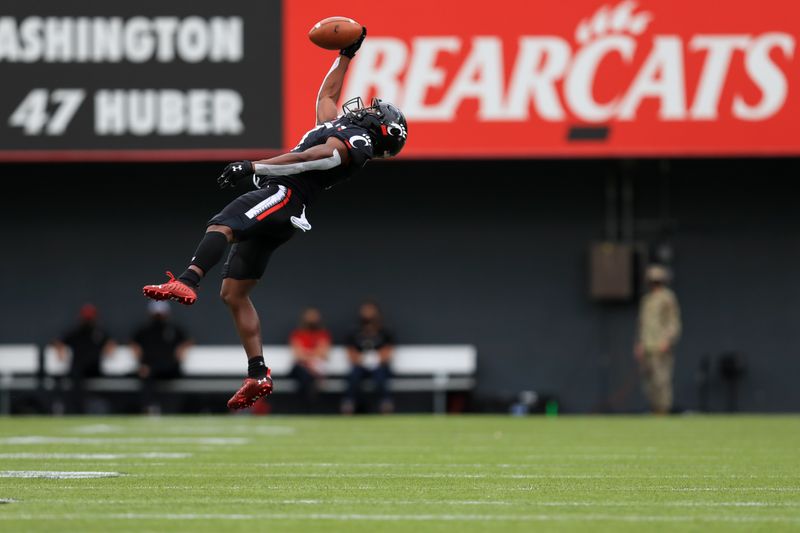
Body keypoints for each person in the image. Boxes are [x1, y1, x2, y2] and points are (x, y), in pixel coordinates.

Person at [141, 28, 407, 410]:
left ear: (377, 127)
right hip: (286, 208)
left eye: (371, 112)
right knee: (234, 293)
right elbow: (328, 96)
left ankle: (186, 282)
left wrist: (254, 165)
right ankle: (258, 372)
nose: (363, 108)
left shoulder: (355, 144)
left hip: (283, 196)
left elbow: (314, 158)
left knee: (222, 224)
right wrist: (347, 55)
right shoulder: (342, 128)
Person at [634, 265, 682, 415]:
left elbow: (673, 322)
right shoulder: (646, 299)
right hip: (648, 346)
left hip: (661, 347)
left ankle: (663, 410)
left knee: (661, 380)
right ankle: (654, 409)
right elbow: (642, 324)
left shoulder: (667, 297)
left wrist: (667, 340)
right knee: (648, 382)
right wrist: (639, 343)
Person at [130, 301, 193, 414]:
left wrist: (182, 349)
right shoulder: (144, 331)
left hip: (169, 369)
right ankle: (149, 408)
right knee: (145, 374)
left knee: (148, 371)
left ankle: (163, 408)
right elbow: (133, 343)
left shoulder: (174, 329)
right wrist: (139, 359)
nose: (158, 317)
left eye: (160, 314)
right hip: (149, 370)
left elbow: (188, 341)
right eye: (156, 314)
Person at [52, 303, 115, 413]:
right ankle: (76, 410)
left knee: (79, 374)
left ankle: (93, 409)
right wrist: (60, 353)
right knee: (74, 376)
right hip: (77, 370)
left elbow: (111, 344)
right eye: (86, 318)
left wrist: (109, 351)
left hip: (94, 369)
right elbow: (58, 342)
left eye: (89, 318)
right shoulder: (75, 333)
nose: (88, 320)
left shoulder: (99, 333)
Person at [342, 301, 396, 414]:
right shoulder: (354, 332)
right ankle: (349, 403)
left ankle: (385, 403)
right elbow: (351, 353)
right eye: (365, 310)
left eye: (370, 310)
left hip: (379, 365)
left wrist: (375, 359)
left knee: (381, 374)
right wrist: (363, 360)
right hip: (360, 365)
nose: (368, 313)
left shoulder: (384, 331)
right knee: (353, 375)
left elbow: (388, 353)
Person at [289, 308, 332, 409]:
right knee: (304, 373)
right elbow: (298, 355)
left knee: (307, 377)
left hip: (314, 369)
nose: (312, 319)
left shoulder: (323, 334)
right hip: (299, 369)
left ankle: (305, 407)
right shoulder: (298, 334)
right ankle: (308, 406)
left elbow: (324, 353)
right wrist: (313, 356)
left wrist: (306, 354)